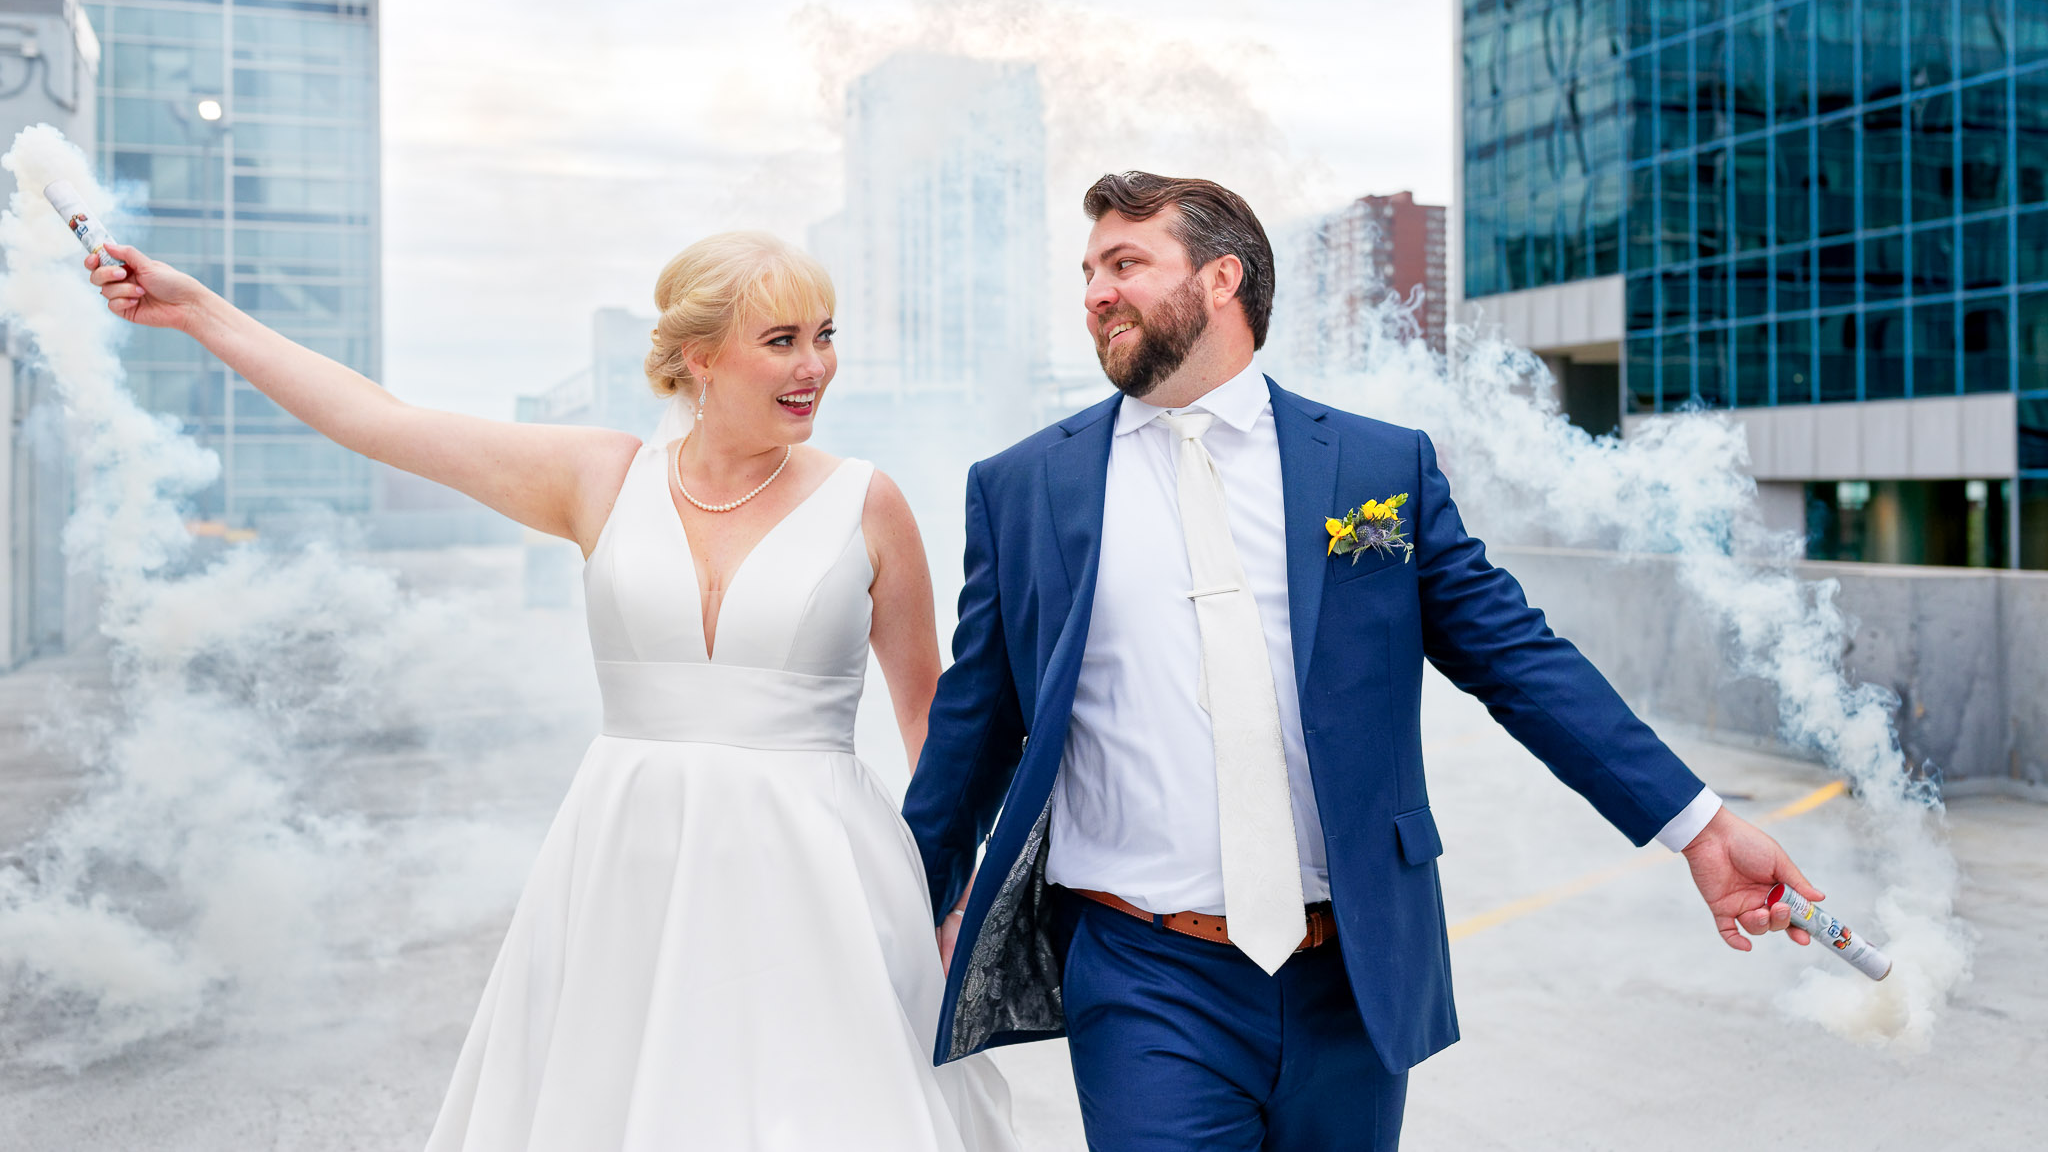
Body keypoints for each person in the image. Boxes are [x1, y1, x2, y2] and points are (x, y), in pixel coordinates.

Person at [902, 171, 1828, 1152]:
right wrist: (890, 910)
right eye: (1087, 270)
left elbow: (1514, 659)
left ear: (1222, 279)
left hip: (1352, 974)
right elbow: (972, 728)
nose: (1093, 291)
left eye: (1125, 263)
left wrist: (1697, 824)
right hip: (1143, 979)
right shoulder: (1022, 489)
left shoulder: (1376, 471)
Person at [85, 231, 1017, 1152]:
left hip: (823, 875)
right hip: (627, 865)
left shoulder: (867, 500)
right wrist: (198, 311)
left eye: (825, 333)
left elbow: (926, 712)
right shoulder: (599, 477)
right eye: (782, 340)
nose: (816, 364)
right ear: (698, 356)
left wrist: (947, 889)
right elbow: (381, 421)